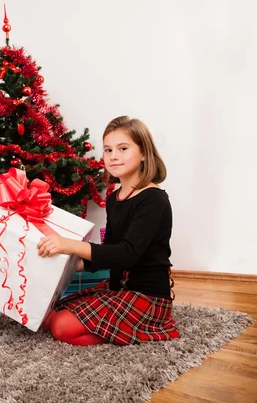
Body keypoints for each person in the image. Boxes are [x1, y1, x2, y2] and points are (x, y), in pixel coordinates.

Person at [37, 116, 179, 346]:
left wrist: (69, 244)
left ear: (144, 153)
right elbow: (110, 251)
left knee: (61, 327)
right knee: (45, 314)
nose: (113, 156)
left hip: (146, 295)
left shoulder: (154, 199)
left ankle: (134, 332)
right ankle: (111, 328)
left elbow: (127, 253)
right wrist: (71, 262)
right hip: (117, 289)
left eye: (123, 148)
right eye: (108, 150)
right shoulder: (115, 199)